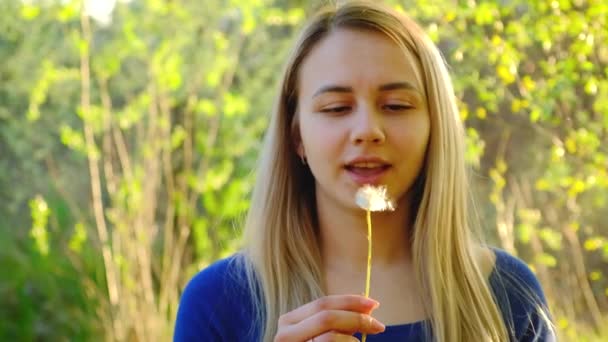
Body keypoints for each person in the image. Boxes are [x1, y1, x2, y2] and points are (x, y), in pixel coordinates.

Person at [174, 1, 555, 341]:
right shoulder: (217, 303)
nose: (368, 131)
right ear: (297, 138)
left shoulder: (507, 293)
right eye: (337, 108)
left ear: (435, 128)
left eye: (396, 105)